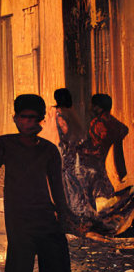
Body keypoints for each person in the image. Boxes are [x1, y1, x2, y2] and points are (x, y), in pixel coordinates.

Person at [0, 94, 73, 272]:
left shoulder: (49, 150)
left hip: (44, 215)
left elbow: (57, 186)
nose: (29, 123)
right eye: (24, 117)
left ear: (41, 120)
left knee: (57, 267)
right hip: (19, 217)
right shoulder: (2, 144)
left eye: (34, 119)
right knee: (19, 269)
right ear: (15, 118)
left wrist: (63, 216)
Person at [77, 93, 129, 211]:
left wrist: (82, 150)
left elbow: (98, 148)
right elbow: (124, 130)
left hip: (96, 164)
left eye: (93, 106)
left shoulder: (97, 122)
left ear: (98, 107)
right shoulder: (112, 121)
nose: (91, 108)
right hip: (108, 162)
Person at [53, 88, 86, 218]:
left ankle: (72, 210)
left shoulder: (59, 113)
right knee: (72, 179)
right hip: (72, 149)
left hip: (67, 150)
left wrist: (65, 142)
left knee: (68, 179)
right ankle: (75, 209)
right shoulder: (71, 112)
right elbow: (79, 133)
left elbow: (66, 131)